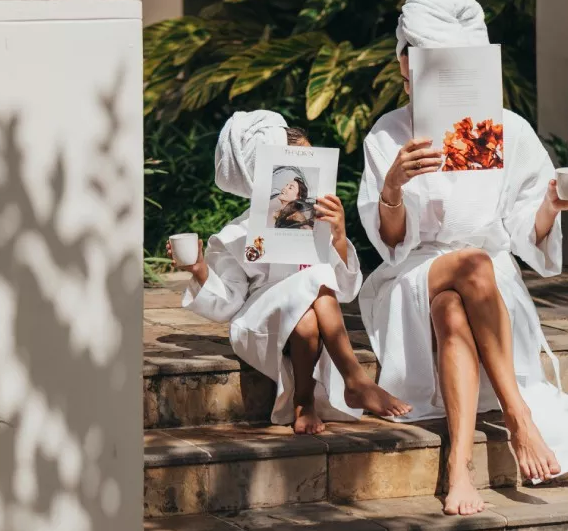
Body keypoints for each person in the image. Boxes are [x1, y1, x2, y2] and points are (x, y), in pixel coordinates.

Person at [357, 0, 568, 516]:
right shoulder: (387, 134)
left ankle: (458, 465)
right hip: (414, 274)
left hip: (483, 287)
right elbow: (391, 245)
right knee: (468, 266)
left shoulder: (505, 129)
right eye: (413, 61)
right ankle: (519, 416)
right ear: (404, 63)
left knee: (456, 302)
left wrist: (554, 209)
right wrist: (393, 185)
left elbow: (521, 225)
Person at [170, 110, 411, 435]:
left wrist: (338, 237)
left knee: (311, 306)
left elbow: (345, 289)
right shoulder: (237, 235)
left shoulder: (315, 224)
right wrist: (199, 268)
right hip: (259, 323)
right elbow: (228, 303)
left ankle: (303, 403)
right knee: (314, 282)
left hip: (312, 319)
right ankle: (354, 379)